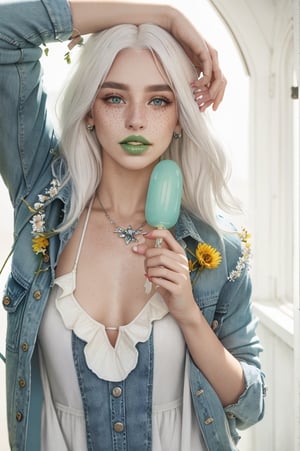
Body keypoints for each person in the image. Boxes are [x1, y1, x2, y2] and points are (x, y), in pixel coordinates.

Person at [0, 1, 265, 450]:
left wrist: (188, 314)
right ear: (89, 109)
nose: (136, 120)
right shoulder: (43, 203)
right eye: (114, 97)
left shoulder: (216, 247)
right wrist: (163, 16)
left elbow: (249, 403)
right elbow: (5, 34)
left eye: (159, 100)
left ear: (181, 115)